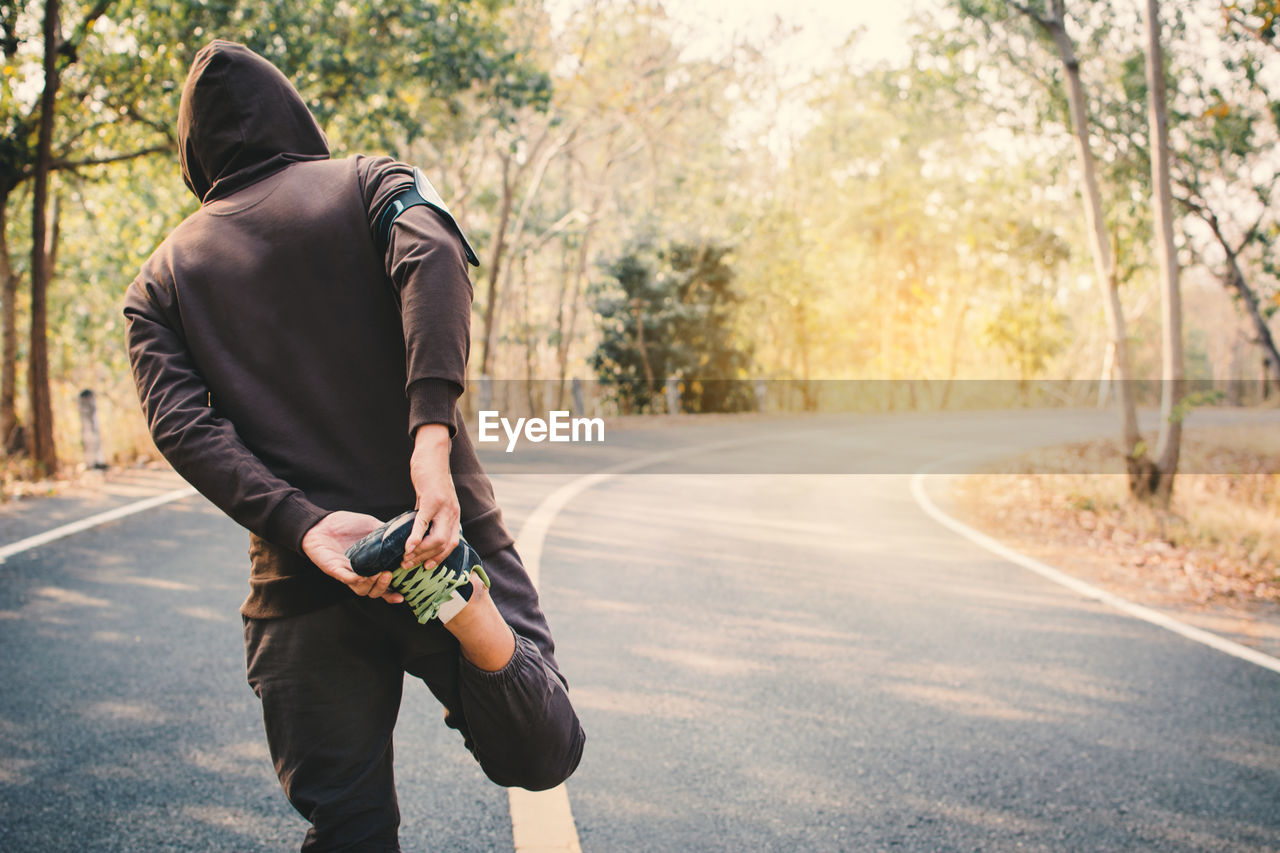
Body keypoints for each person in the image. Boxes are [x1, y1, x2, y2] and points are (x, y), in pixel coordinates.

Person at [123, 40, 584, 851]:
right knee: (544, 746)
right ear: (294, 113)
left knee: (349, 825)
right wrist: (429, 442)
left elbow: (179, 423)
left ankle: (457, 606)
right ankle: (464, 609)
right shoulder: (370, 180)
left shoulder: (160, 279)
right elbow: (434, 253)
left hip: (303, 580)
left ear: (193, 159)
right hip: (438, 533)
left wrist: (302, 525)